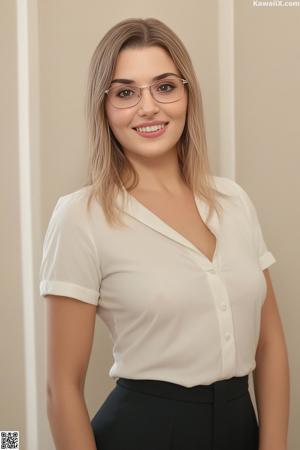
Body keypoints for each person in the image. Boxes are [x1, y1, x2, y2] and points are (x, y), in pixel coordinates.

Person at [39, 17, 289, 450]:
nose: (149, 107)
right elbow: (61, 387)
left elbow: (270, 346)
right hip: (144, 432)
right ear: (104, 107)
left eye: (165, 86)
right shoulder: (80, 217)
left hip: (241, 427)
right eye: (125, 92)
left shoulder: (233, 201)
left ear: (188, 94)